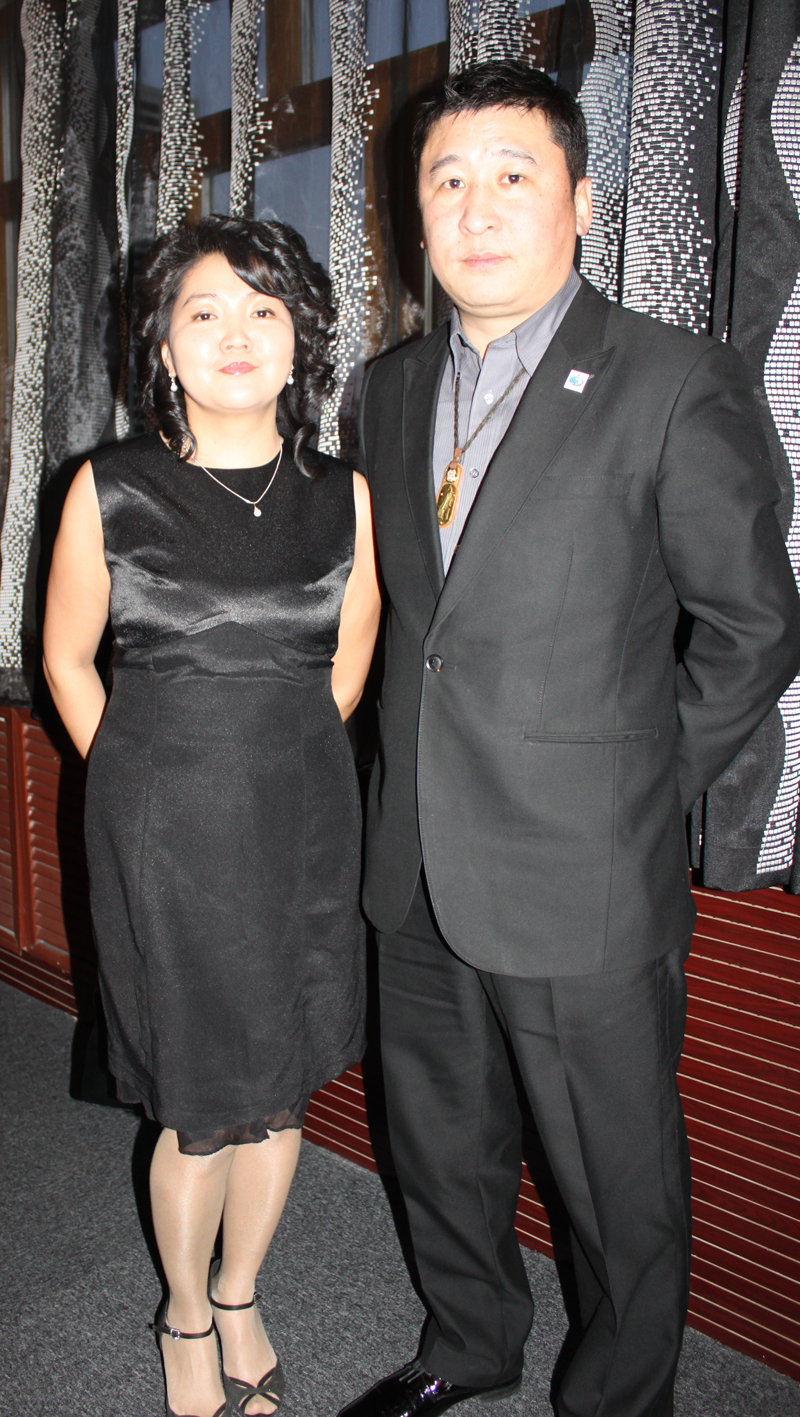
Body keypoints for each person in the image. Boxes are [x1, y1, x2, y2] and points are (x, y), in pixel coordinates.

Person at [337, 61, 800, 1417]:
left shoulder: (674, 380)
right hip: (413, 858)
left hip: (582, 870)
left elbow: (752, 626)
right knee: (439, 1138)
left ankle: (615, 1397)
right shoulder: (386, 391)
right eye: (447, 180)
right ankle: (467, 1342)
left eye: (513, 175)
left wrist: (642, 789)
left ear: (582, 201)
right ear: (416, 211)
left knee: (613, 1174)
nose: (475, 209)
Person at [43, 215, 381, 1417]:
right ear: (164, 347)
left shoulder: (344, 496)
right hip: (164, 836)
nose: (236, 333)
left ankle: (241, 1291)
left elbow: (346, 665)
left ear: (298, 342)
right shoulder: (111, 488)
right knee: (197, 1105)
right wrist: (149, 774)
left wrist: (267, 761)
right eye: (204, 312)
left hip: (301, 829)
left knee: (282, 1083)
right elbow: (66, 658)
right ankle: (184, 1311)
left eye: (262, 310)